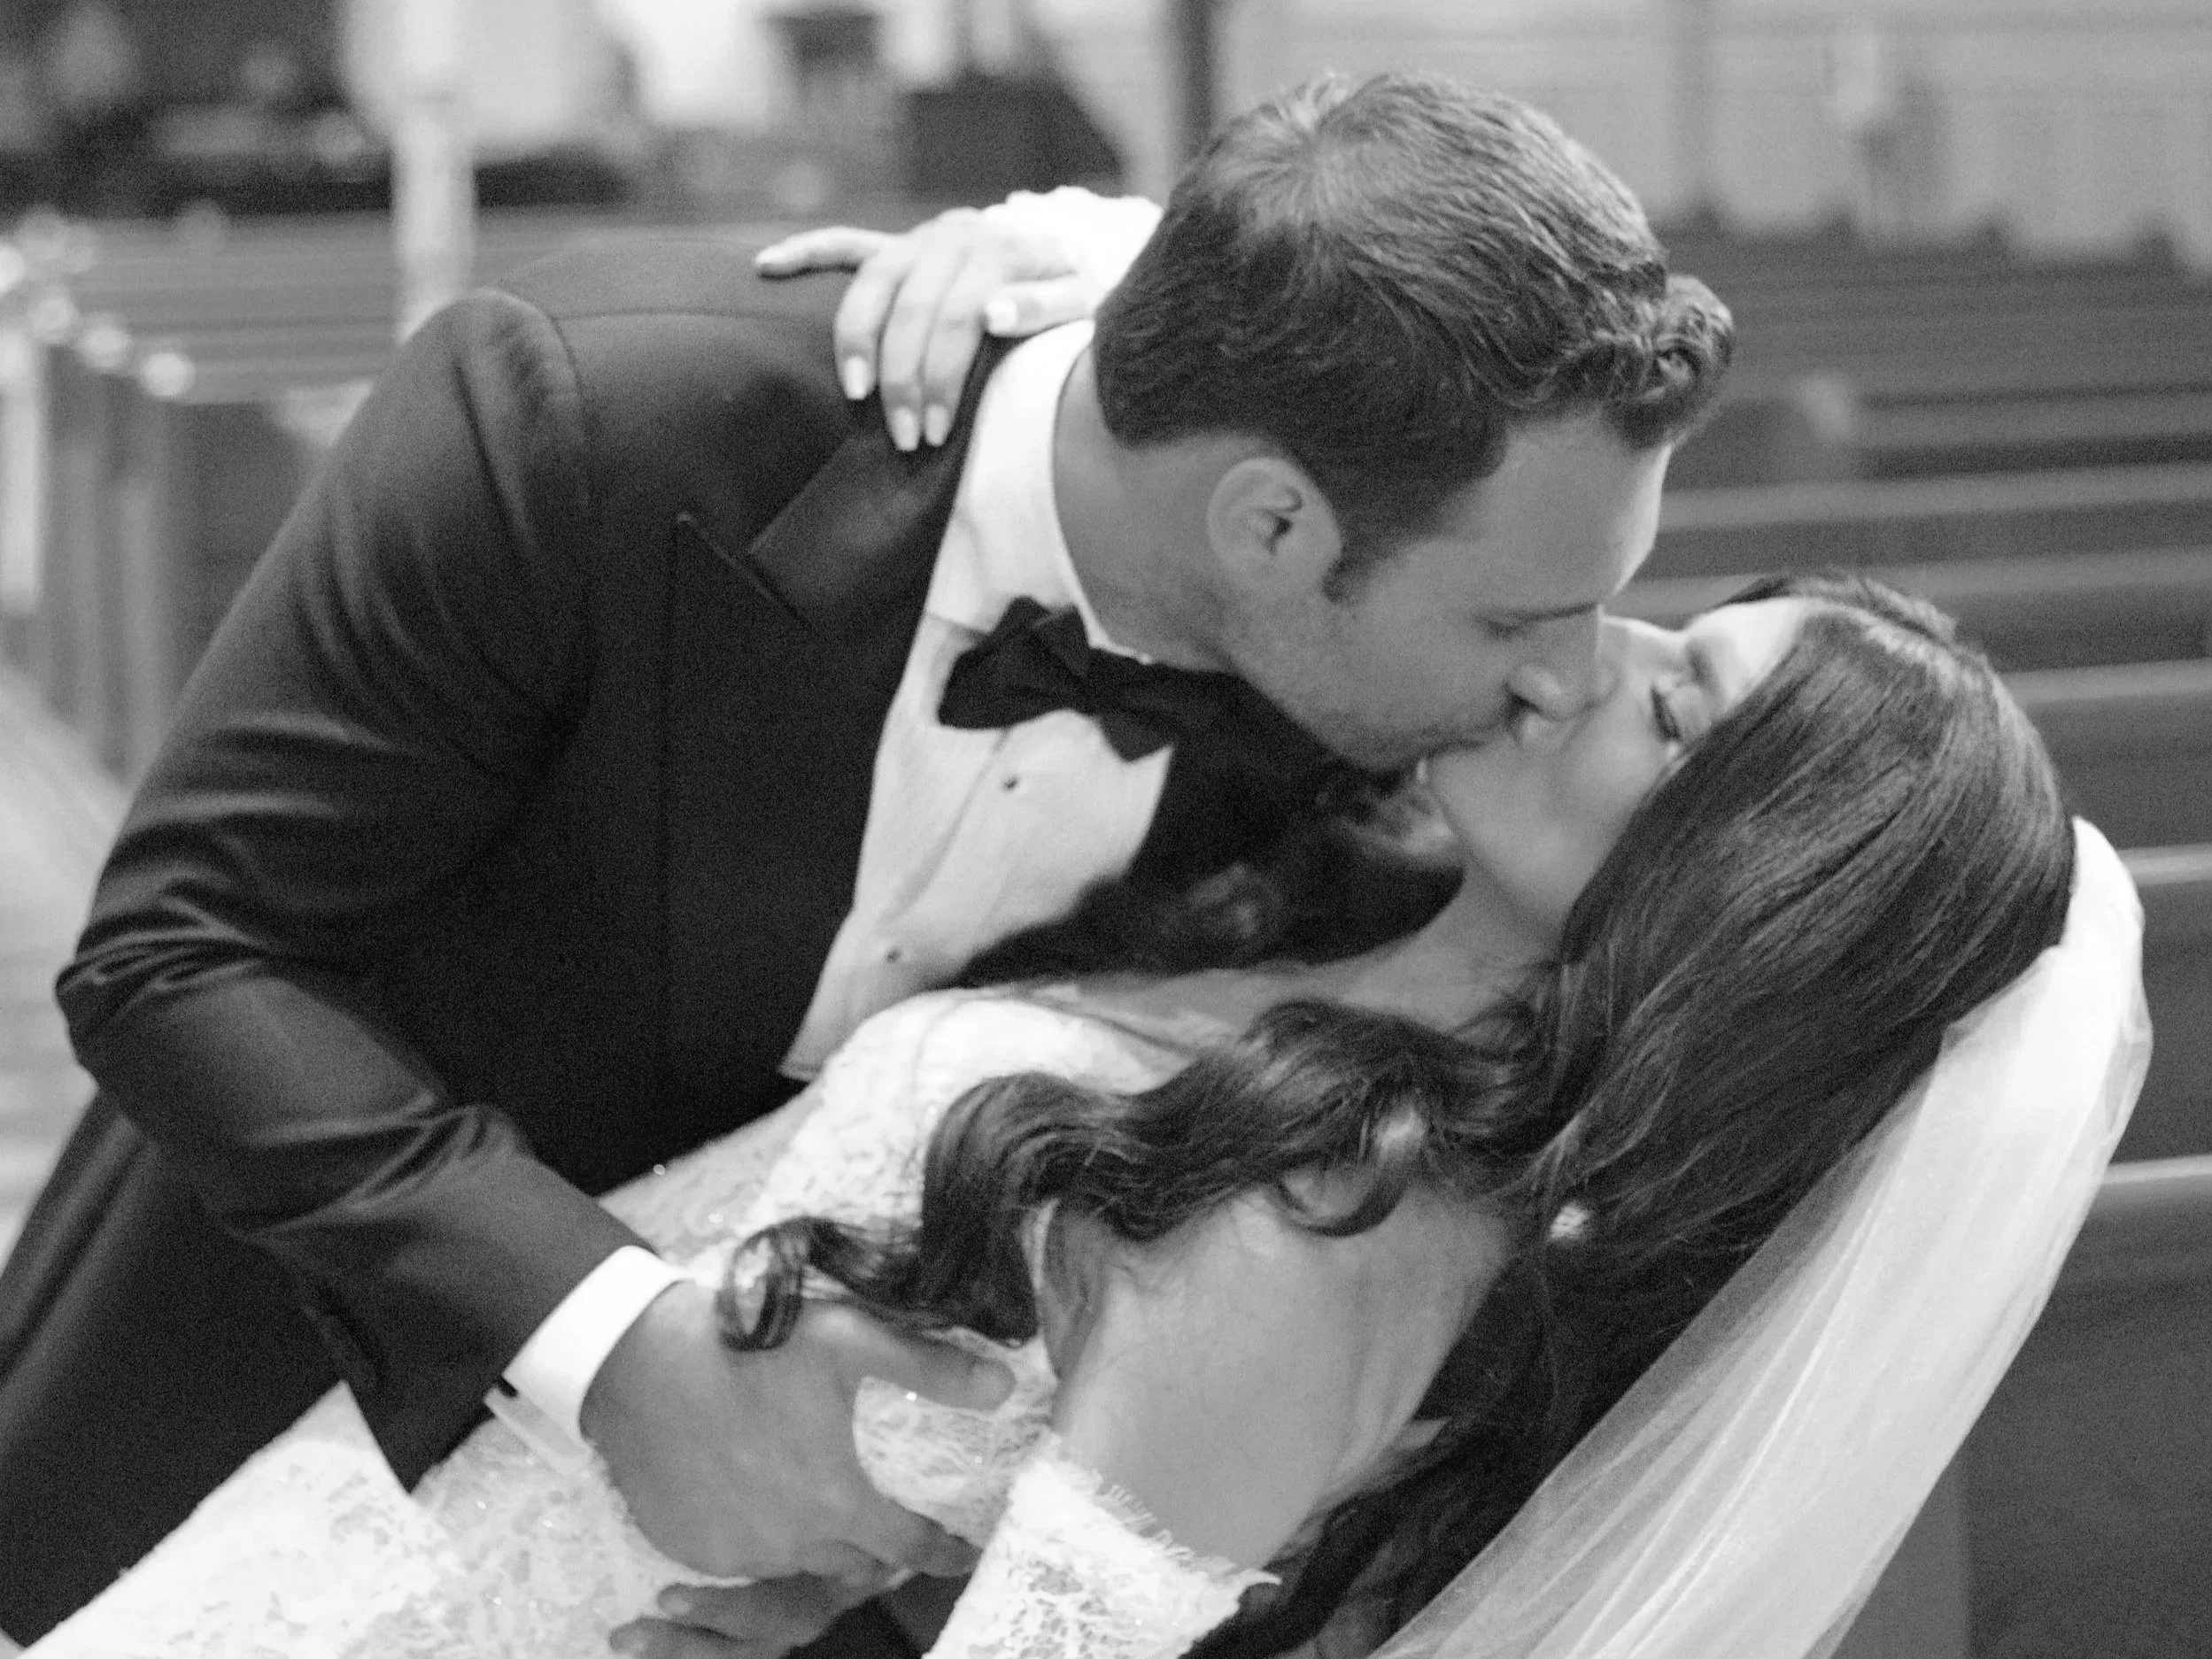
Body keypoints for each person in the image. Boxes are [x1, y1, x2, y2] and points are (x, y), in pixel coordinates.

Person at [0, 72, 1735, 1643]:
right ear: (1269, 522)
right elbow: (185, 949)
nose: (1570, 675)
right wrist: (617, 1350)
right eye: (1521, 615)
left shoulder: (1346, 723)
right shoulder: (583, 420)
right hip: (253, 1424)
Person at [28, 571, 2092, 1659]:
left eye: (1674, 704)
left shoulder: (1336, 1221)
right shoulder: (1338, 909)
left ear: (1752, 895)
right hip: (380, 1509)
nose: (1582, 649)